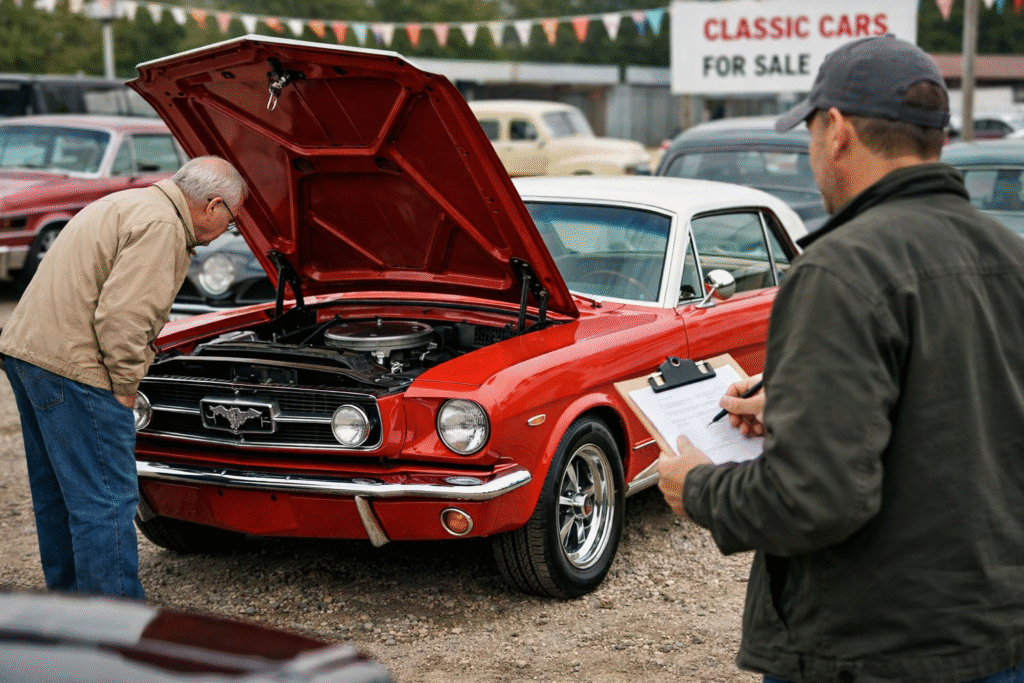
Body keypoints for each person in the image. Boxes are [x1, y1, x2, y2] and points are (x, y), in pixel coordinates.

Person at [658, 34, 1024, 683]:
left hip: (873, 647)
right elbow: (964, 414)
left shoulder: (838, 268)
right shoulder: (1009, 256)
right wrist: (803, 401)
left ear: (836, 132)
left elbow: (815, 498)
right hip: (1000, 636)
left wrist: (699, 488)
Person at [0, 155, 247, 600]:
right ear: (213, 205)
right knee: (106, 501)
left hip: (30, 353)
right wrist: (126, 387)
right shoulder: (164, 227)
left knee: (57, 494)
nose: (228, 230)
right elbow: (124, 319)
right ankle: (114, 628)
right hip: (77, 368)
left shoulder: (129, 202)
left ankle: (70, 610)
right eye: (232, 220)